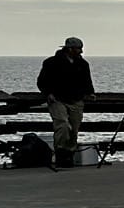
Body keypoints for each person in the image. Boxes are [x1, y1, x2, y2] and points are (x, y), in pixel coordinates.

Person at [35, 36, 95, 168]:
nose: (81, 51)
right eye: (78, 49)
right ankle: (61, 154)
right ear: (69, 49)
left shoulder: (83, 64)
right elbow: (42, 81)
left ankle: (69, 155)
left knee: (74, 129)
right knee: (62, 125)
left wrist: (90, 92)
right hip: (57, 100)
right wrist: (48, 93)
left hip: (77, 100)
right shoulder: (51, 63)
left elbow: (87, 81)